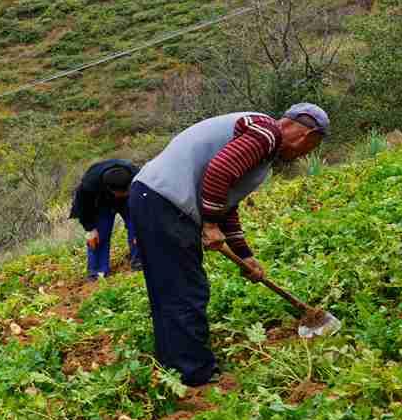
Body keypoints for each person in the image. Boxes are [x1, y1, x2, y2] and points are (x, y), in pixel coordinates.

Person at [131, 104, 329, 386]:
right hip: (165, 202)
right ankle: (195, 373)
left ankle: (176, 366)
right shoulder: (267, 133)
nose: (304, 155)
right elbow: (219, 171)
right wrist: (210, 224)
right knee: (186, 290)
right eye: (310, 148)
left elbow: (225, 202)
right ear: (307, 136)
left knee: (171, 289)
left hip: (153, 198)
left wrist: (244, 255)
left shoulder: (260, 144)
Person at [68, 159, 141, 281]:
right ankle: (97, 272)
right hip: (102, 203)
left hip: (131, 200)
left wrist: (141, 227)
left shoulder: (137, 176)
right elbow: (83, 207)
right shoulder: (89, 184)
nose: (122, 194)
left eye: (125, 192)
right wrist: (90, 229)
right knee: (99, 235)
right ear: (109, 189)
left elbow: (145, 202)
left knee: (137, 228)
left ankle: (140, 261)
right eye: (120, 193)